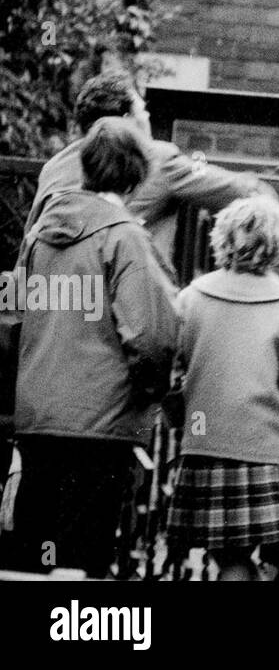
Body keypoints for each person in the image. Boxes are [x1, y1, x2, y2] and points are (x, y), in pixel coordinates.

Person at [6, 117, 179, 577]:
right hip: (100, 426)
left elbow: (10, 317)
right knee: (80, 561)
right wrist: (148, 394)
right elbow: (152, 337)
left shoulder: (37, 237)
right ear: (136, 174)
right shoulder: (126, 238)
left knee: (33, 557)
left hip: (37, 420)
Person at [165, 195, 279, 581]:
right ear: (278, 243)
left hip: (205, 443)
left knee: (229, 559)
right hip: (268, 449)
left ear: (223, 238)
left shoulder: (191, 298)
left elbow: (176, 370)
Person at [24, 69, 273, 263]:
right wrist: (261, 188)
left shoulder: (54, 166)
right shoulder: (157, 158)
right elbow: (236, 191)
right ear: (127, 122)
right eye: (142, 110)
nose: (147, 116)